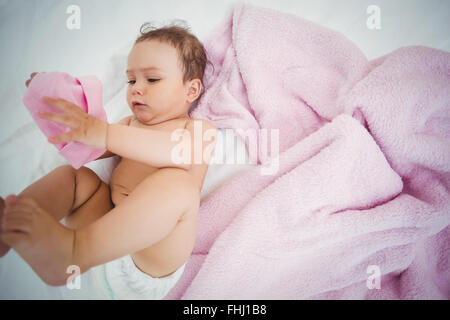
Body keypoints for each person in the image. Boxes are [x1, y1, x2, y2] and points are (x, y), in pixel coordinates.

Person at [0, 23, 217, 299]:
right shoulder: (128, 125)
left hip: (151, 257)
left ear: (191, 90)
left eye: (151, 80)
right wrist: (59, 112)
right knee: (76, 178)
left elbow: (179, 153)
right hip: (106, 240)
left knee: (180, 186)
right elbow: (90, 150)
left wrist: (104, 133)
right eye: (131, 80)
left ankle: (73, 251)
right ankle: (10, 221)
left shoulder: (198, 131)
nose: (137, 89)